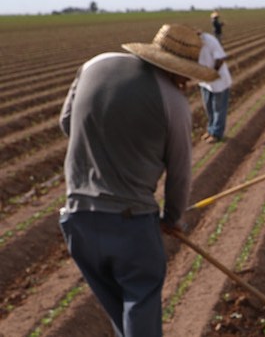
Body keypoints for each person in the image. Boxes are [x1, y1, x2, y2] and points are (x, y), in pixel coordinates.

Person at [58, 23, 218, 337]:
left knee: (120, 314)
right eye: (186, 73)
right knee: (140, 307)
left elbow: (67, 124)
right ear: (177, 68)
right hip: (131, 225)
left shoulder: (95, 64)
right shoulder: (174, 103)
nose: (186, 81)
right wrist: (173, 218)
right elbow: (180, 173)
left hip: (78, 220)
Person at [197, 29, 232, 144]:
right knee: (209, 108)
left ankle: (217, 134)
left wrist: (212, 73)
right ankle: (211, 130)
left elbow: (220, 58)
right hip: (204, 81)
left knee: (218, 108)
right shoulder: (190, 44)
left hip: (218, 80)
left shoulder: (210, 40)